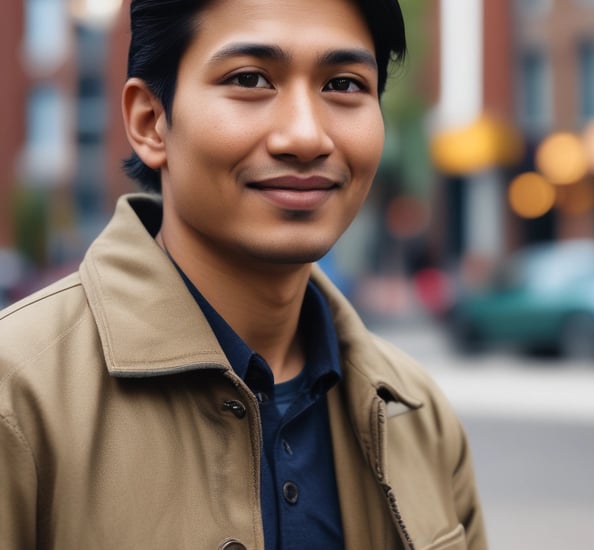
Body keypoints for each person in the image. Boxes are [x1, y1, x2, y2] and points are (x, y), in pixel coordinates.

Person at [0, 0, 488, 548]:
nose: (306, 137)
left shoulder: (414, 412)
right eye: (250, 79)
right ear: (150, 121)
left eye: (344, 85)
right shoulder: (18, 396)